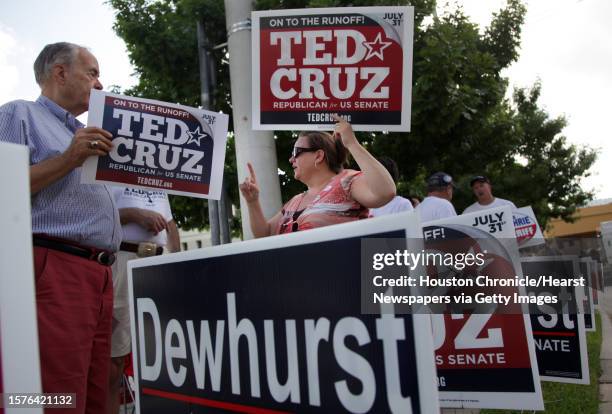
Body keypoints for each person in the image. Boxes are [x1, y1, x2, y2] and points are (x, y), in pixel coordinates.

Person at [0, 42, 120, 413]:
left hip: (98, 274)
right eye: (92, 73)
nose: (100, 85)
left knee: (93, 392)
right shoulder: (20, 114)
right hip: (53, 267)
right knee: (56, 393)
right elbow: (4, 188)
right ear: (59, 72)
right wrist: (69, 157)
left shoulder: (91, 133)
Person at [239, 114, 396, 236]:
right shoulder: (295, 200)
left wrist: (352, 144)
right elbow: (265, 233)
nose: (291, 159)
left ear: (318, 156)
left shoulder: (346, 181)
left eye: (296, 152)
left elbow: (385, 193)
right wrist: (253, 202)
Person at [107, 188, 180, 414]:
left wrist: (179, 260)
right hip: (121, 258)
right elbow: (98, 215)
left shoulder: (157, 178)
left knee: (159, 349)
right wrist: (135, 214)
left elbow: (170, 224)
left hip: (157, 262)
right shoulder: (110, 172)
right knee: (114, 356)